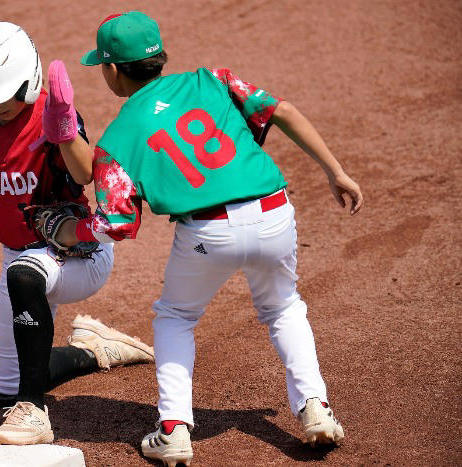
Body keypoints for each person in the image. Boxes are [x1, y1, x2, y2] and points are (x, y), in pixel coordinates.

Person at [45, 11, 363, 466]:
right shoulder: (211, 80)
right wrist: (336, 171)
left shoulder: (117, 138)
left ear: (113, 70)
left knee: (175, 316)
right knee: (283, 307)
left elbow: (115, 223)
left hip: (207, 233)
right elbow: (283, 111)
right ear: (158, 55)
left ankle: (174, 428)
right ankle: (315, 407)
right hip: (274, 212)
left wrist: (65, 229)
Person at [0, 21, 154, 446]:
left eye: (2, 101)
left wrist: (63, 129)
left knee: (23, 276)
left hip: (76, 252)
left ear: (28, 83)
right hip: (20, 254)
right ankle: (93, 348)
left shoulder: (51, 115)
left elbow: (84, 174)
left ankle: (34, 411)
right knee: (2, 389)